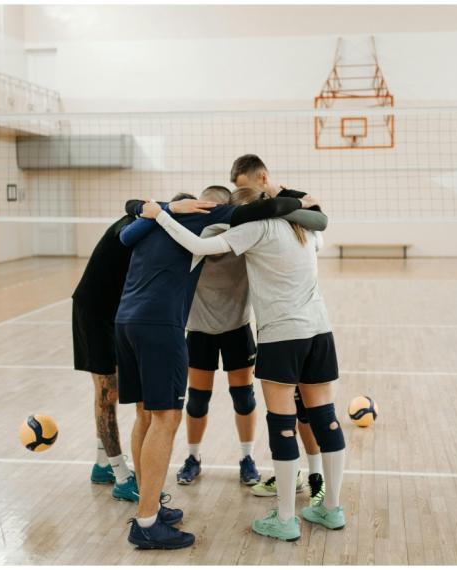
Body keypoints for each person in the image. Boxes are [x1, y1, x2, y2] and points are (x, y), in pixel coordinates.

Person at [141, 187, 346, 542]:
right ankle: (331, 509)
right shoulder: (304, 229)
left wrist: (159, 215)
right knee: (325, 418)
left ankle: (285, 518)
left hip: (282, 334)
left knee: (282, 424)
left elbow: (201, 248)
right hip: (320, 330)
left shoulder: (257, 227)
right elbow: (321, 231)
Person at [175, 186, 328, 492]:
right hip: (200, 332)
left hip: (238, 330)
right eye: (207, 209)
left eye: (220, 209)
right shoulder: (192, 246)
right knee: (197, 401)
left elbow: (312, 225)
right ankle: (192, 458)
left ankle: (246, 459)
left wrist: (283, 195)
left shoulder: (244, 241)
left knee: (243, 399)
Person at [70, 191, 197, 502]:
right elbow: (131, 207)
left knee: (123, 393)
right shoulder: (137, 222)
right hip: (95, 310)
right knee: (107, 391)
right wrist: (161, 209)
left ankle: (102, 464)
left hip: (124, 313)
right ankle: (120, 473)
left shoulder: (164, 230)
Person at [228, 154, 326, 504]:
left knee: (301, 410)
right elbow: (238, 214)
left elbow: (321, 223)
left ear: (263, 178)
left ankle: (314, 477)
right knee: (290, 410)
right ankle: (295, 475)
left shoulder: (294, 211)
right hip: (288, 324)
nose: (243, 197)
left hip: (295, 327)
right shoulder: (265, 214)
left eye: (244, 188)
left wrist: (287, 206)